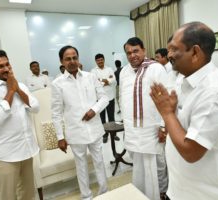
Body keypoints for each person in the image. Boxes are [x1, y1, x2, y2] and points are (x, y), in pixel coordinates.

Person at [150, 22, 218, 200]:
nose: (169, 55)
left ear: (195, 52)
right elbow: (182, 126)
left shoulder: (215, 92)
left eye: (173, 49)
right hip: (185, 190)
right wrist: (171, 113)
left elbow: (191, 151)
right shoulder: (183, 80)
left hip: (214, 194)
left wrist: (167, 113)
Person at [0, 49, 40, 200]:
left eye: (7, 64)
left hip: (27, 150)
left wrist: (17, 89)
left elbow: (36, 108)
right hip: (6, 155)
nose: (6, 69)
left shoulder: (20, 85)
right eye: (0, 66)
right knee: (8, 197)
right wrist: (11, 91)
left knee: (28, 195)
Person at [51, 45, 108, 200]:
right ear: (61, 61)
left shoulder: (91, 77)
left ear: (78, 58)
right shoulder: (57, 84)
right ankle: (86, 196)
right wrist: (60, 137)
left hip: (94, 128)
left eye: (74, 57)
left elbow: (104, 98)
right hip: (75, 132)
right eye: (68, 59)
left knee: (99, 161)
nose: (72, 61)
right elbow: (56, 113)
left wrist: (93, 110)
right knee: (81, 166)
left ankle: (104, 192)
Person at [119, 37, 168, 200]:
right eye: (128, 52)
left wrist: (163, 125)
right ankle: (140, 194)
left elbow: (166, 97)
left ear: (144, 51)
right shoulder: (124, 71)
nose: (132, 55)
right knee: (139, 165)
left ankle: (160, 193)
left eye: (135, 51)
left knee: (156, 163)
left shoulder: (156, 69)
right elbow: (122, 99)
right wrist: (125, 125)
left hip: (151, 127)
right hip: (132, 128)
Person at [91, 53, 119, 143]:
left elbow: (113, 80)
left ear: (104, 59)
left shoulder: (109, 69)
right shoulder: (93, 71)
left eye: (101, 59)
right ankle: (105, 134)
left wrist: (101, 80)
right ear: (96, 61)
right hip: (100, 99)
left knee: (111, 117)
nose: (100, 61)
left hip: (110, 97)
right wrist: (106, 80)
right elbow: (95, 82)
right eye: (98, 60)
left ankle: (114, 134)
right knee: (102, 118)